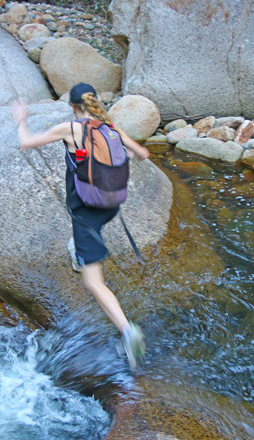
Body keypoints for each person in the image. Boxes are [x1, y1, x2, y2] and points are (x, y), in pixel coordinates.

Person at [12, 83, 150, 369]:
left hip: (86, 211)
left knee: (93, 282)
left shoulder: (72, 129)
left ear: (73, 107)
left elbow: (26, 142)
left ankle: (128, 332)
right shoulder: (109, 126)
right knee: (84, 242)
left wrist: (21, 120)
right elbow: (141, 154)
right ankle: (80, 253)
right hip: (111, 205)